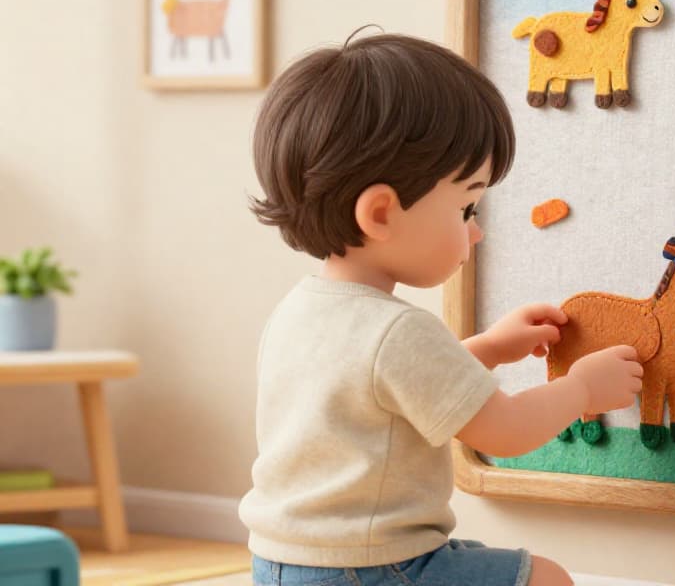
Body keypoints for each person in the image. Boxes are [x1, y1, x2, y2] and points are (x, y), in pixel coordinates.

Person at [240, 31, 643, 586]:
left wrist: (491, 349)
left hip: (280, 563)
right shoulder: (398, 328)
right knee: (548, 579)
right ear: (381, 213)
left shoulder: (300, 311)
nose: (476, 232)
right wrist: (582, 389)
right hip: (372, 567)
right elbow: (502, 431)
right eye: (466, 206)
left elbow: (385, 391)